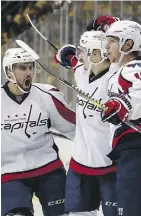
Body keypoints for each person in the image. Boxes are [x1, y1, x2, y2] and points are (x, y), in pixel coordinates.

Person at [55, 16, 119, 216]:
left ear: (95, 53)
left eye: (82, 51)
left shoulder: (116, 79)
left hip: (111, 165)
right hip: (80, 164)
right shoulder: (82, 73)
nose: (78, 55)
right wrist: (65, 55)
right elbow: (70, 59)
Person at [1, 46, 76, 216]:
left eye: (31, 67)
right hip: (11, 174)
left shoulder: (47, 95)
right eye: (22, 67)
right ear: (8, 71)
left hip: (49, 170)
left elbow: (76, 128)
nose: (28, 72)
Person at [101, 20, 141, 216]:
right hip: (129, 151)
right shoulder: (120, 70)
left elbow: (138, 96)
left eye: (112, 41)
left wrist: (122, 107)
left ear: (127, 44)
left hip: (135, 149)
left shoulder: (134, 68)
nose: (107, 46)